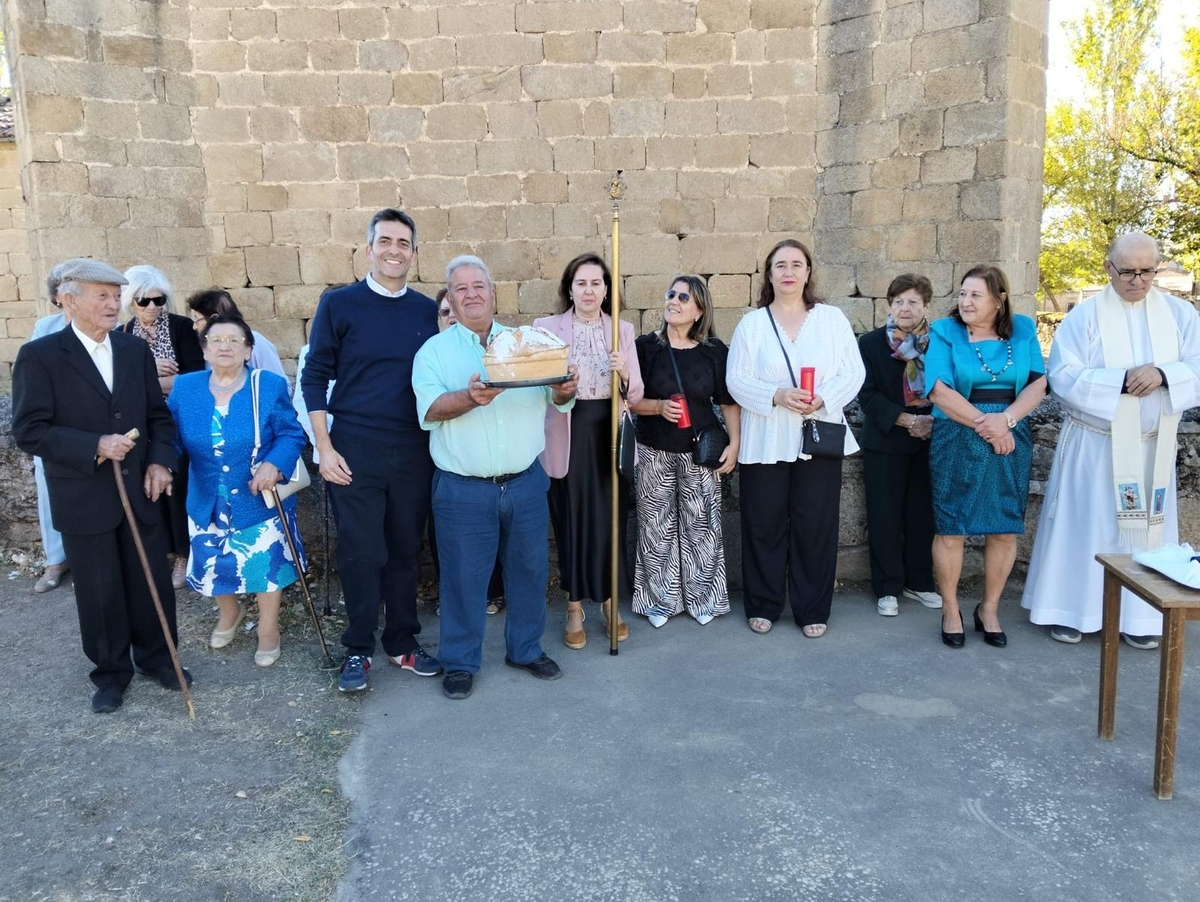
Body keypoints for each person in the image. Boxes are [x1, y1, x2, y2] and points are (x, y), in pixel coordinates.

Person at [12, 258, 189, 714]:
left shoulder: (133, 350)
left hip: (140, 491)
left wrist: (160, 462)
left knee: (150, 580)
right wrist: (94, 444)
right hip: (83, 494)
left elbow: (157, 417)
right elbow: (29, 430)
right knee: (99, 587)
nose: (114, 305)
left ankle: (160, 659)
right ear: (68, 300)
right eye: (103, 296)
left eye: (116, 296)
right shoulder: (41, 356)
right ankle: (110, 673)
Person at [412, 255, 579, 700]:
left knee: (529, 571)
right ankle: (459, 661)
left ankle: (525, 649)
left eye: (478, 285)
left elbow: (558, 397)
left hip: (525, 481)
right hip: (463, 489)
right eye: (460, 288)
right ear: (450, 299)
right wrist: (469, 398)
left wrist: (565, 390)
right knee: (463, 579)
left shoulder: (527, 343)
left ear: (493, 292)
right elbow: (430, 410)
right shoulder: (434, 352)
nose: (471, 294)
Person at [1023, 232, 1200, 648]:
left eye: (1147, 271)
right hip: (1096, 447)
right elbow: (1063, 376)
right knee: (1087, 528)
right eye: (1128, 272)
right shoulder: (1084, 318)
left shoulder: (1180, 315)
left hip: (1152, 448)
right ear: (1108, 267)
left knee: (1144, 535)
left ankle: (1140, 618)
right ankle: (1071, 612)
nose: (1138, 281)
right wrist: (1121, 381)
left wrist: (1163, 374)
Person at [301, 208, 442, 693]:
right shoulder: (339, 305)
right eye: (385, 241)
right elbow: (314, 377)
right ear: (369, 249)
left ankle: (401, 642)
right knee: (362, 552)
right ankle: (358, 648)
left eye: (403, 243)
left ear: (414, 254)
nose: (394, 250)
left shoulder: (425, 312)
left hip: (412, 450)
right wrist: (324, 448)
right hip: (354, 449)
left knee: (404, 549)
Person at [727, 240, 864, 638]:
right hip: (766, 437)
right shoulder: (752, 325)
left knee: (815, 524)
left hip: (818, 434)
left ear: (808, 272)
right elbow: (736, 379)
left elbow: (853, 372)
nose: (789, 271)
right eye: (780, 265)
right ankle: (763, 603)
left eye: (796, 264)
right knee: (763, 523)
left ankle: (812, 608)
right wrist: (776, 395)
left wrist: (824, 398)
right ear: (769, 274)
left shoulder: (831, 319)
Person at [168, 314, 308, 667]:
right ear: (204, 350)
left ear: (248, 351)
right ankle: (230, 613)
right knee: (215, 563)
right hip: (207, 497)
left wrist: (274, 463)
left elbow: (291, 433)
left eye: (234, 340)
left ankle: (268, 629)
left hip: (258, 497)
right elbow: (170, 438)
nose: (225, 346)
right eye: (216, 340)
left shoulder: (268, 385)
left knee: (265, 566)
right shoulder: (186, 388)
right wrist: (160, 463)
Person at [924, 266, 1046, 649]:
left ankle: (989, 609)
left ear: (999, 299)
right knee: (951, 527)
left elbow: (1038, 384)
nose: (966, 301)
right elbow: (938, 391)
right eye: (963, 293)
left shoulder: (1024, 329)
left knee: (1004, 526)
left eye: (975, 295)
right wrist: (988, 425)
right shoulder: (945, 331)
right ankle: (950, 609)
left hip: (1010, 435)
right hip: (957, 434)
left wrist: (1005, 421)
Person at [536, 254, 644, 649]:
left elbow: (636, 395)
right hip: (567, 431)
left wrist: (625, 372)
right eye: (581, 283)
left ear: (606, 289)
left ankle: (611, 602)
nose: (588, 291)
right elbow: (538, 386)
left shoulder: (622, 330)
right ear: (569, 288)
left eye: (596, 283)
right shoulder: (547, 328)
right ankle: (574, 607)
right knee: (572, 521)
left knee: (610, 519)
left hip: (607, 431)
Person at [630, 275, 739, 628]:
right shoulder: (645, 347)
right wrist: (658, 407)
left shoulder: (713, 351)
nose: (674, 301)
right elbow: (628, 400)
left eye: (684, 297)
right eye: (671, 294)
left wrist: (735, 444)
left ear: (699, 311)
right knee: (655, 527)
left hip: (700, 451)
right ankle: (659, 600)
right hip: (654, 449)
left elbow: (728, 402)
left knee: (702, 525)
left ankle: (703, 598)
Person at [857, 274, 942, 617]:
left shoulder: (940, 342)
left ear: (926, 306)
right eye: (898, 302)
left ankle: (919, 582)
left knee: (923, 514)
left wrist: (931, 421)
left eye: (913, 302)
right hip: (886, 439)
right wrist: (907, 420)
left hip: (932, 438)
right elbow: (867, 394)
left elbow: (950, 385)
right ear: (889, 305)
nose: (905, 308)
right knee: (884, 514)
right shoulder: (870, 344)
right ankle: (888, 587)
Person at [119, 265, 205, 589]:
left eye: (159, 299)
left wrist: (146, 380)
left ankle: (184, 555)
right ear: (131, 301)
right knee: (147, 487)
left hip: (179, 421)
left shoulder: (181, 328)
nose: (153, 306)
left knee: (177, 486)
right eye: (144, 300)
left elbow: (194, 378)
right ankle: (160, 555)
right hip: (141, 423)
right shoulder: (123, 334)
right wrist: (153, 370)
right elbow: (121, 384)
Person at [426, 288, 504, 616]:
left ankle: (494, 592)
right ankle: (452, 596)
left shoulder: (492, 349)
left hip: (494, 464)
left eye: (453, 311)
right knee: (449, 537)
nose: (451, 317)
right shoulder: (432, 354)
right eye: (445, 312)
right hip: (448, 463)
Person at [28, 263, 71, 594]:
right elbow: (34, 373)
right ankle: (56, 560)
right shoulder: (46, 327)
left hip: (97, 424)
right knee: (47, 490)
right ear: (58, 297)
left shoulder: (112, 329)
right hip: (57, 422)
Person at [186, 289, 287, 380]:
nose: (194, 327)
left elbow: (280, 384)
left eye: (197, 319)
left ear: (214, 318)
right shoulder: (206, 345)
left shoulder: (257, 342)